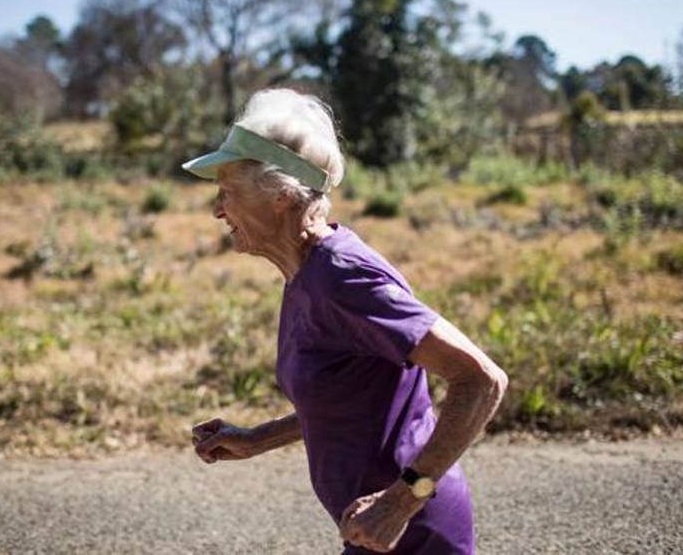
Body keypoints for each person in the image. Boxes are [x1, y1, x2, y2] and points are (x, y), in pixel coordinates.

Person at [182, 88, 508, 554]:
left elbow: (482, 379)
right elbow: (350, 398)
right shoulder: (306, 274)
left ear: (278, 196)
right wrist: (257, 439)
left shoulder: (342, 278)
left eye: (227, 192)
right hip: (376, 528)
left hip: (409, 531)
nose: (217, 209)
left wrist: (401, 501)